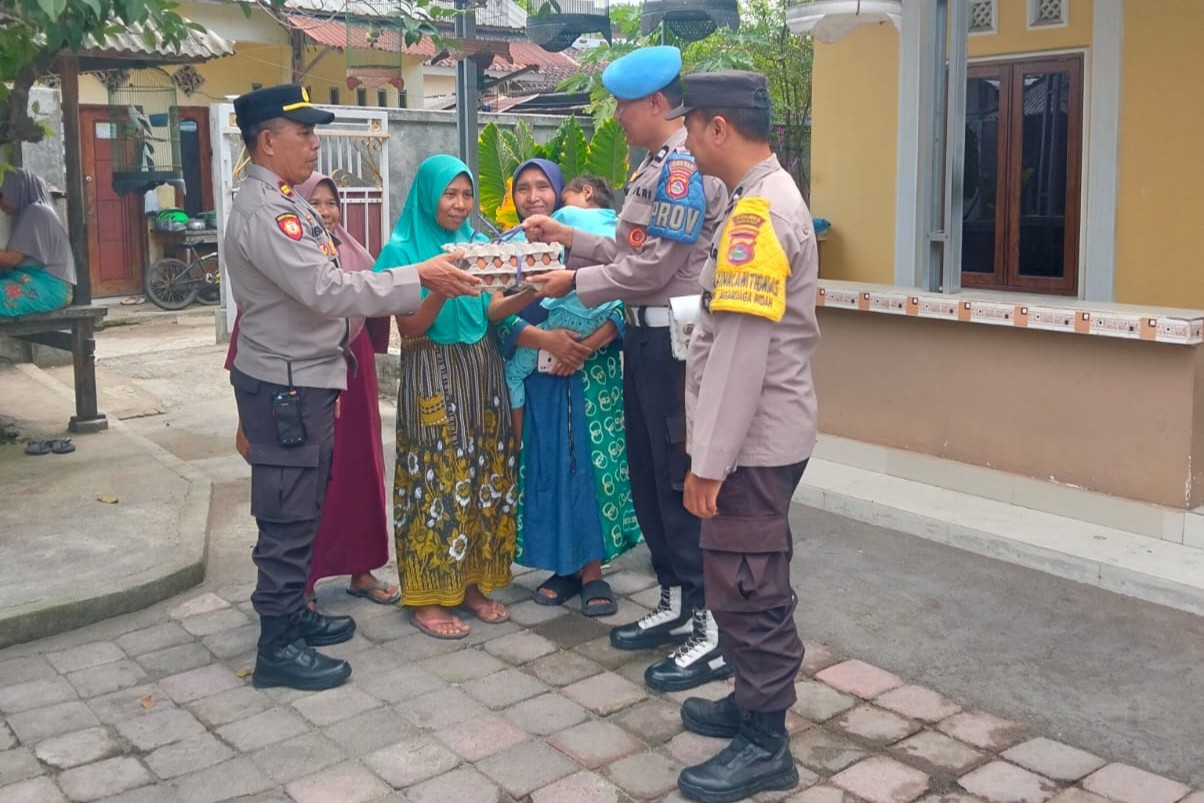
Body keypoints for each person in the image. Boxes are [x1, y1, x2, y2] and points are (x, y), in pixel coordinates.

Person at [225, 85, 478, 691]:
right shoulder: (268, 214)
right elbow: (329, 290)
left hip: (304, 378)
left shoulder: (287, 203)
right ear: (268, 141)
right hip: (286, 383)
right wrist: (417, 276)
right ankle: (277, 646)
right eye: (304, 133)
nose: (315, 144)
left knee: (303, 508)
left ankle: (294, 615)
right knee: (286, 517)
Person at [525, 45, 731, 692]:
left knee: (678, 479)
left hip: (673, 344)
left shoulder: (683, 170)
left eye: (622, 105)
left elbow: (649, 269)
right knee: (649, 474)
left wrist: (572, 278)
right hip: (644, 340)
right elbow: (625, 246)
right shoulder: (652, 167)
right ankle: (675, 599)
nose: (616, 116)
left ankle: (709, 623)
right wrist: (569, 237)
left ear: (656, 103)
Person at [667, 71, 820, 803]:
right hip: (755, 437)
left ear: (719, 128)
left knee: (751, 585)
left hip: (750, 445)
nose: (687, 142)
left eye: (691, 127)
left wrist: (709, 460)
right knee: (740, 578)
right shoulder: (754, 199)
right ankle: (749, 699)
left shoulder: (759, 213)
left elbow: (739, 351)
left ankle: (767, 743)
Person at [225, 172, 400, 610]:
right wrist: (246, 419)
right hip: (304, 380)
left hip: (353, 378)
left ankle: (362, 568)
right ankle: (300, 583)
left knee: (361, 472)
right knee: (306, 482)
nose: (325, 212)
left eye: (331, 203)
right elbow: (250, 330)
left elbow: (374, 319)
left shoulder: (355, 254)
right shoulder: (285, 250)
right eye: (315, 203)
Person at [373, 154, 517, 641]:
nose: (459, 204)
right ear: (427, 195)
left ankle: (472, 584)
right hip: (432, 373)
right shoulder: (402, 251)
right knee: (434, 481)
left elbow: (492, 311)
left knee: (482, 475)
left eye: (466, 194)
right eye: (449, 194)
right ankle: (429, 597)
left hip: (482, 371)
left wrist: (532, 289)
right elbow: (410, 328)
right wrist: (440, 287)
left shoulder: (476, 244)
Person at [490, 170, 640, 617]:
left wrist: (585, 346)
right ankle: (563, 565)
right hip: (539, 378)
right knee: (548, 466)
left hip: (593, 375)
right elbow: (493, 314)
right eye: (522, 188)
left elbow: (629, 299)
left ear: (558, 194)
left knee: (593, 467)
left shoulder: (587, 239)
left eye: (542, 187)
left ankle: (592, 569)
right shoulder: (508, 249)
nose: (532, 196)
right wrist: (547, 340)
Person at [0, 169, 76, 316]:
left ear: (16, 188)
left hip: (51, 286)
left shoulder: (35, 212)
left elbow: (12, 259)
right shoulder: (29, 213)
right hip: (36, 279)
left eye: (1, 196)